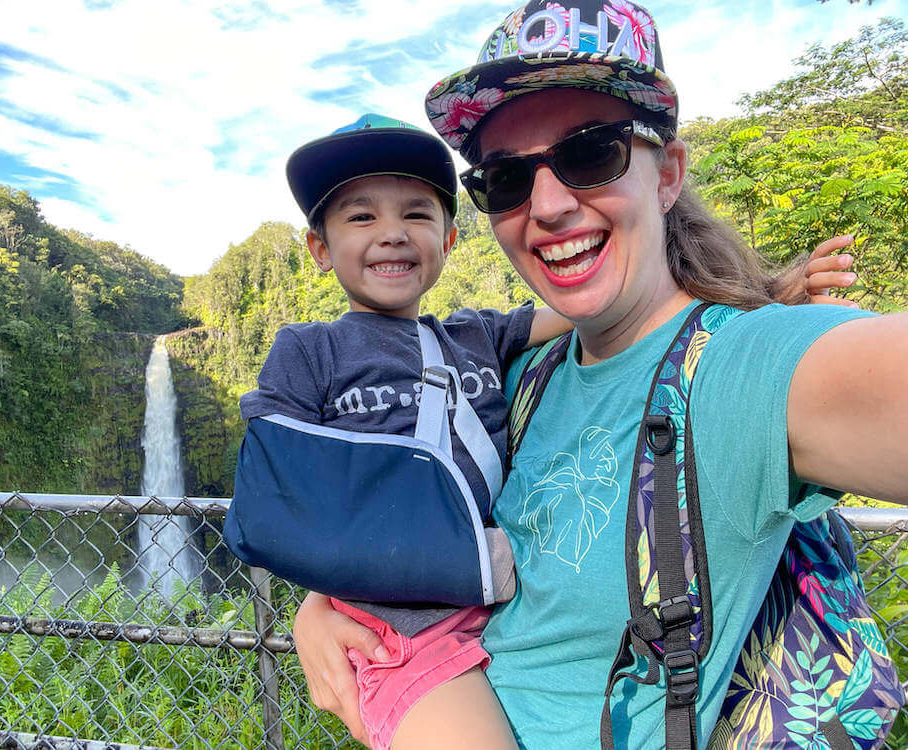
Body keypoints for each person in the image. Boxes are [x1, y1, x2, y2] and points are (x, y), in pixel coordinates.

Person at [290, 1, 908, 748]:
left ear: (669, 173)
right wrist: (323, 601)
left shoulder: (740, 369)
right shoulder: (519, 380)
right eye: (508, 178)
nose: (547, 206)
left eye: (591, 154)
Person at [228, 112, 580, 750]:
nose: (392, 234)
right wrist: (319, 601)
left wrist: (759, 290)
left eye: (417, 214)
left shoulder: (477, 335)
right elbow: (279, 493)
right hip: (395, 631)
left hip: (510, 604)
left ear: (448, 241)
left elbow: (600, 304)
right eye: (361, 217)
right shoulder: (310, 351)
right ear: (320, 248)